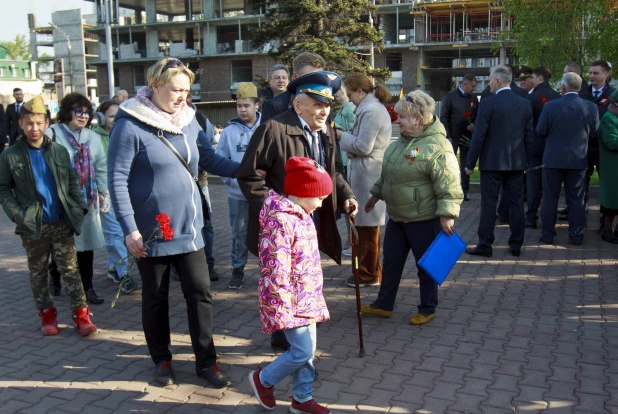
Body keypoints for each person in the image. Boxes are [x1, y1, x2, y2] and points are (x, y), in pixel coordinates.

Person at [107, 58, 237, 388]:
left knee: (201, 295)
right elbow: (117, 179)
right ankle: (161, 360)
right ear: (155, 87)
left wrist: (249, 167)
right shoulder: (130, 124)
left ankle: (207, 362)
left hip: (189, 229)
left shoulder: (190, 121)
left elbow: (209, 158)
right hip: (152, 232)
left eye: (187, 90)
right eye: (177, 89)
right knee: (156, 299)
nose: (183, 96)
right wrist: (129, 229)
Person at [237, 71, 357, 350]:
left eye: (327, 105)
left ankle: (301, 334)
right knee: (282, 282)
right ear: (298, 104)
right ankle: (286, 339)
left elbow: (333, 171)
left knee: (304, 279)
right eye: (317, 104)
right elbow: (249, 175)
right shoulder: (273, 129)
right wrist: (280, 210)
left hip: (312, 220)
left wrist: (346, 196)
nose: (324, 110)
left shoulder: (326, 132)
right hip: (281, 226)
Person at [361, 91, 463, 325]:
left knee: (426, 266)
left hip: (423, 219)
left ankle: (428, 307)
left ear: (418, 118)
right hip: (398, 217)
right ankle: (384, 304)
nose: (398, 120)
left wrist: (447, 214)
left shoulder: (438, 146)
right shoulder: (402, 143)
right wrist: (375, 195)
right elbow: (390, 174)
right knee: (392, 262)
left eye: (403, 117)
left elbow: (449, 183)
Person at [0, 96, 97, 337]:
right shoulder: (10, 156)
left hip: (61, 222)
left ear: (47, 123)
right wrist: (16, 215)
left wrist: (80, 206)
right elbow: (3, 189)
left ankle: (81, 315)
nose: (35, 128)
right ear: (21, 124)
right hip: (32, 225)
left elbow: (72, 182)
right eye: (29, 123)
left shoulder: (59, 152)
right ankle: (47, 315)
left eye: (39, 123)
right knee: (38, 273)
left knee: (72, 271)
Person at [248, 157, 333, 414]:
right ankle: (263, 380)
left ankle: (302, 398)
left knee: (307, 351)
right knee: (301, 351)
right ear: (304, 192)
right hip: (288, 301)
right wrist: (281, 307)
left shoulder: (302, 214)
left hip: (306, 297)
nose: (321, 203)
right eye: (320, 197)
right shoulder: (281, 220)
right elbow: (275, 269)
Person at [465, 65, 534, 258]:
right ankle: (516, 244)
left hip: (491, 162)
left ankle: (485, 244)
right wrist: (526, 161)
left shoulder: (488, 104)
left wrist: (470, 163)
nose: (488, 85)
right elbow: (529, 136)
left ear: (497, 81)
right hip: (516, 163)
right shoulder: (524, 103)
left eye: (489, 81)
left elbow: (479, 136)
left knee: (489, 204)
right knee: (516, 203)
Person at [46, 93, 107, 305]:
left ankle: (87, 287)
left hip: (87, 202)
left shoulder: (94, 138)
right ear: (67, 112)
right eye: (78, 111)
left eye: (87, 112)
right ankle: (55, 275)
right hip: (60, 200)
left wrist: (103, 193)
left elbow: (101, 169)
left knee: (86, 246)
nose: (83, 116)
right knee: (61, 245)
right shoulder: (52, 134)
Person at [337, 72, 392, 288]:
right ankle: (367, 271)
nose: (349, 98)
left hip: (369, 173)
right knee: (364, 225)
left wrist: (341, 136)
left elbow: (363, 146)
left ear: (360, 91)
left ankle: (369, 274)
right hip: (366, 171)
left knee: (367, 226)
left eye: (350, 94)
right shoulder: (370, 108)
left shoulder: (371, 110)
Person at [537, 73, 599, 245]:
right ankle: (576, 236)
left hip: (553, 159)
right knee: (577, 198)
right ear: (579, 87)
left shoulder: (550, 106)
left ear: (563, 87)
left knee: (550, 198)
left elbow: (540, 131)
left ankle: (548, 235)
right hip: (578, 159)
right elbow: (595, 133)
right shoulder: (591, 107)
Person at [216, 82, 261, 289]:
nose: (243, 109)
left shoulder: (267, 128)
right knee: (239, 233)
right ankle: (238, 269)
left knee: (267, 233)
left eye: (247, 105)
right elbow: (221, 160)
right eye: (239, 106)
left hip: (263, 194)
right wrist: (232, 181)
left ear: (257, 106)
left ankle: (268, 270)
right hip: (238, 194)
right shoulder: (229, 131)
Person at [92, 99, 139, 293]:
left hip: (126, 192)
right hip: (106, 194)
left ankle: (113, 269)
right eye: (111, 116)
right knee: (115, 233)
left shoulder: (124, 133)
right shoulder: (94, 138)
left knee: (122, 231)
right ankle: (123, 273)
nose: (115, 120)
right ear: (101, 118)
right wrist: (100, 191)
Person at [580, 60, 616, 231]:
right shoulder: (582, 93)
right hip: (584, 147)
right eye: (590, 73)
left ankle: (605, 222)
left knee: (607, 186)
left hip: (605, 150)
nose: (591, 76)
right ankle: (581, 220)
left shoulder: (613, 95)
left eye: (596, 73)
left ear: (606, 74)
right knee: (581, 186)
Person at [186, 94, 220, 281]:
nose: (184, 98)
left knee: (206, 224)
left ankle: (209, 264)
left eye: (188, 94)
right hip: (179, 186)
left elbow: (209, 152)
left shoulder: (200, 119)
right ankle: (180, 267)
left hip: (201, 182)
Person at [525, 66, 561, 229]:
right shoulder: (557, 97)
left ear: (540, 78)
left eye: (532, 77)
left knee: (534, 184)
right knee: (551, 185)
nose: (530, 80)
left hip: (535, 146)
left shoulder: (531, 98)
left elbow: (526, 122)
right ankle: (548, 217)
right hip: (553, 146)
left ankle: (531, 216)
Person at [439, 73, 478, 201]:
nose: (474, 89)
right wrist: (448, 135)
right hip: (452, 136)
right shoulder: (450, 96)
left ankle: (464, 190)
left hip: (467, 136)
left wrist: (474, 125)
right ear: (465, 84)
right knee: (449, 164)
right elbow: (444, 117)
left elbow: (476, 116)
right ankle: (448, 190)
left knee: (466, 164)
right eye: (472, 86)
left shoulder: (473, 98)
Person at [260, 52, 326, 122]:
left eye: (319, 77)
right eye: (310, 77)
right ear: (295, 76)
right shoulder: (274, 106)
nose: (316, 81)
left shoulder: (325, 103)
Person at [333, 83, 356, 256]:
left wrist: (340, 131)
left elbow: (352, 132)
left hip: (348, 161)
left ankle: (352, 241)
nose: (337, 94)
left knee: (350, 203)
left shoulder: (350, 109)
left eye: (340, 91)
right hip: (342, 158)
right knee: (346, 205)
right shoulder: (341, 110)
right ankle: (349, 240)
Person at [598, 90, 618, 243]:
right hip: (612, 167)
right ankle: (607, 230)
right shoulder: (608, 118)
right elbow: (611, 142)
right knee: (611, 200)